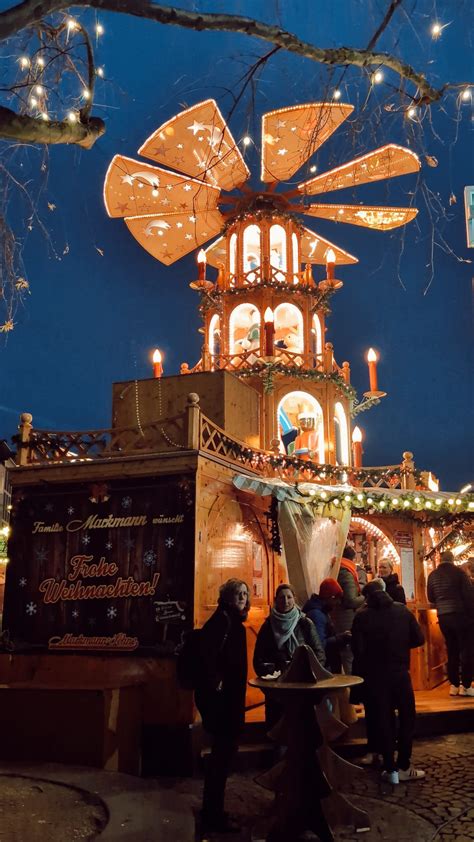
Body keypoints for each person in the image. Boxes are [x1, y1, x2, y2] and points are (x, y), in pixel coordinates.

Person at [352, 579, 426, 785]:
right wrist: (401, 645)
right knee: (406, 719)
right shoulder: (402, 611)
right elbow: (419, 639)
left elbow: (357, 650)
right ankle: (404, 765)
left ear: (367, 597)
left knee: (383, 720)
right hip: (400, 673)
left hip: (375, 676)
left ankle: (390, 769)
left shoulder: (362, 617)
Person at [194, 578, 250, 834]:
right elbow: (210, 662)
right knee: (220, 760)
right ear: (227, 597)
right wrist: (218, 690)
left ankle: (213, 810)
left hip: (227, 702)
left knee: (222, 759)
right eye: (237, 593)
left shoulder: (231, 621)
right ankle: (213, 814)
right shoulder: (224, 623)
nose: (242, 597)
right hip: (223, 705)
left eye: (245, 593)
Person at [253, 584, 325, 727]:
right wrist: (271, 670)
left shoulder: (305, 623)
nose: (285, 601)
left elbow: (319, 653)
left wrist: (308, 671)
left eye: (289, 597)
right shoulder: (268, 626)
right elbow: (258, 658)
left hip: (301, 686)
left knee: (302, 726)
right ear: (275, 600)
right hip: (277, 687)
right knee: (277, 726)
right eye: (281, 598)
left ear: (294, 599)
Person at [427, 550, 474, 697]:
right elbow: (468, 596)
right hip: (460, 616)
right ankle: (466, 685)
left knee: (452, 650)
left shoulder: (432, 575)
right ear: (452, 560)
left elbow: (431, 597)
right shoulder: (459, 573)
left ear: (440, 559)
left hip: (443, 617)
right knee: (466, 651)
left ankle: (453, 685)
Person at [303, 578, 352, 672]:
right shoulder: (317, 614)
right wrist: (340, 638)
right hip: (324, 667)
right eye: (337, 599)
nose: (338, 603)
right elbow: (319, 644)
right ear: (331, 597)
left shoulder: (322, 611)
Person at [333, 545, 365, 673]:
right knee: (348, 656)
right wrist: (364, 597)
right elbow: (350, 601)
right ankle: (353, 689)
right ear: (353, 558)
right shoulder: (346, 572)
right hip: (346, 619)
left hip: (336, 617)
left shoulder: (336, 568)